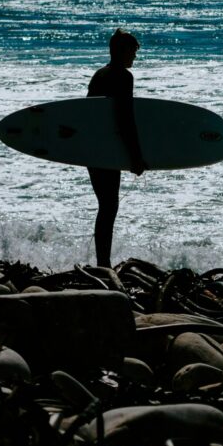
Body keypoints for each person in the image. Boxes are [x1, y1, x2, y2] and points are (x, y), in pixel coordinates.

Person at [87, 28, 147, 267]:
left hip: (93, 148)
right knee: (109, 206)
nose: (135, 57)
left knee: (105, 205)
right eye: (132, 52)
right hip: (108, 150)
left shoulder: (99, 74)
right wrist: (135, 157)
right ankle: (104, 263)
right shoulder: (123, 77)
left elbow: (89, 115)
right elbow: (125, 119)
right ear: (121, 51)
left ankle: (103, 261)